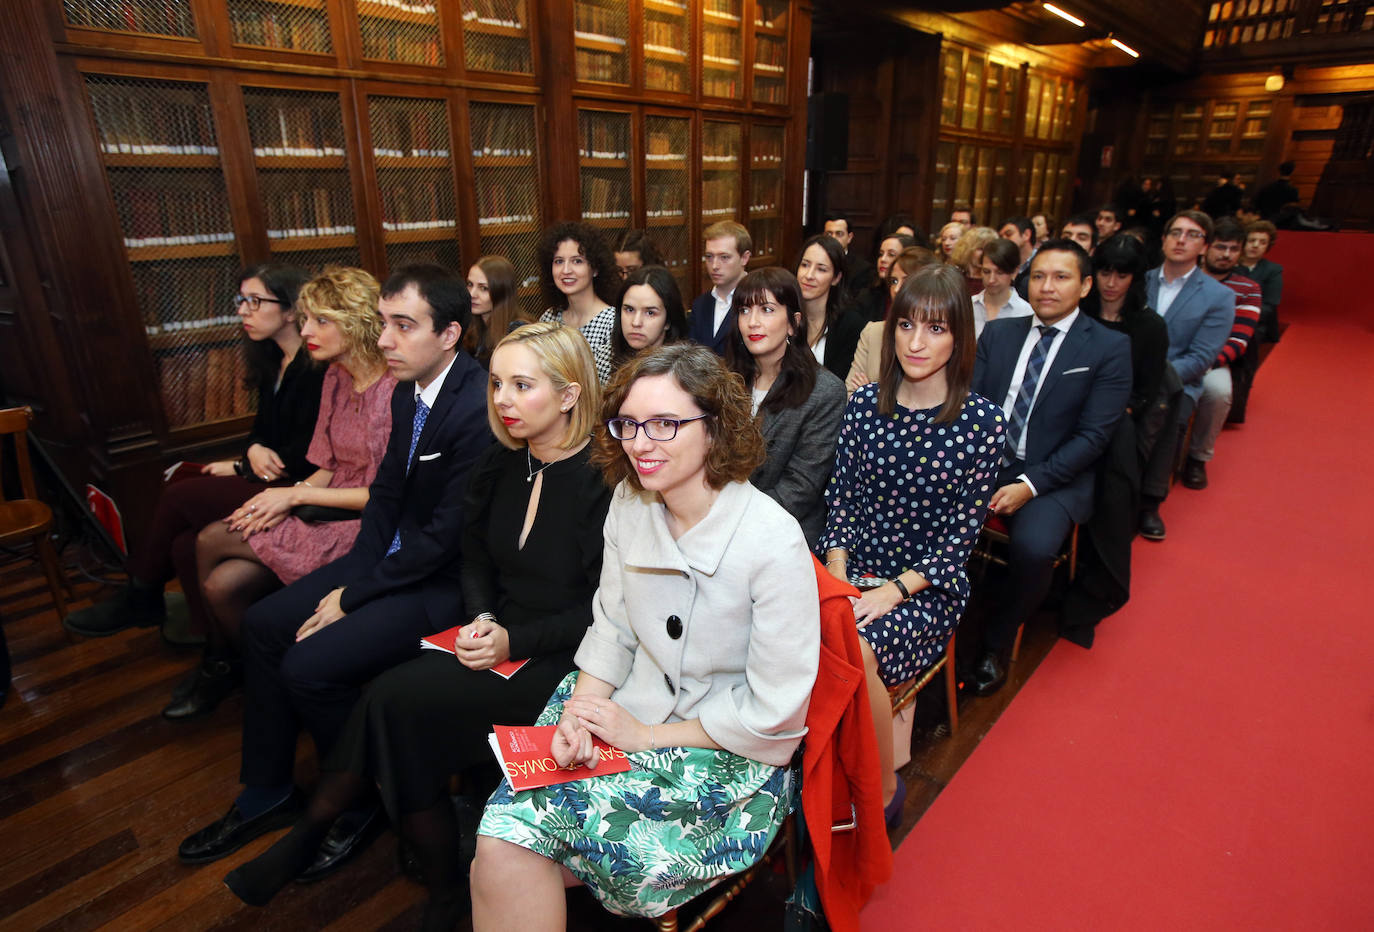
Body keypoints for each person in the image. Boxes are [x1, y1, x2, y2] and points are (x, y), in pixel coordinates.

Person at [220, 323, 611, 926]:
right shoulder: (501, 463)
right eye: (499, 383)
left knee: (393, 702)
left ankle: (325, 836)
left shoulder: (602, 481)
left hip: (567, 659)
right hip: (494, 637)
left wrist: (513, 639)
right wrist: (483, 619)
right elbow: (475, 560)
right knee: (395, 711)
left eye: (522, 385)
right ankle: (437, 883)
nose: (502, 399)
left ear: (568, 395)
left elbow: (604, 609)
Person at [471, 343, 821, 926]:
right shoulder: (630, 504)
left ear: (715, 429)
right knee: (500, 840)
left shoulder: (771, 539)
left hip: (726, 752)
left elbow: (774, 713)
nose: (640, 442)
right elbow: (611, 626)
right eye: (629, 424)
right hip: (627, 705)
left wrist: (647, 735)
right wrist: (581, 714)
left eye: (665, 423)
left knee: (540, 845)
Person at [176, 264, 492, 874]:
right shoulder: (410, 389)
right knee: (266, 624)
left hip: (444, 583)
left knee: (308, 664)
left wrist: (354, 595)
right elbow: (387, 501)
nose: (385, 341)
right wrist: (355, 575)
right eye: (382, 324)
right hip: (393, 562)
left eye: (404, 326)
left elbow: (440, 539)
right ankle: (267, 791)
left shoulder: (475, 406)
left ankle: (357, 794)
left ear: (450, 334)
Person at [165, 267, 397, 721]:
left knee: (211, 539)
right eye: (306, 318)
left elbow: (383, 496)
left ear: (355, 322)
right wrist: (282, 497)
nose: (306, 330)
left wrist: (289, 497)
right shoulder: (334, 375)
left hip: (363, 523)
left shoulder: (392, 388)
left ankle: (231, 668)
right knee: (220, 583)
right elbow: (327, 465)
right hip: (324, 502)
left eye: (320, 321)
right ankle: (249, 671)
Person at [822, 263, 1003, 820]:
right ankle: (814, 771)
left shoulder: (982, 423)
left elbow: (959, 540)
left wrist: (889, 593)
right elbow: (841, 501)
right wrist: (838, 577)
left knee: (854, 647)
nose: (916, 342)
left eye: (936, 329)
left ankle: (876, 789)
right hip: (851, 569)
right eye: (906, 327)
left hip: (925, 586)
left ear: (959, 336)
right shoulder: (864, 406)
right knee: (785, 628)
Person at [62, 263, 323, 642]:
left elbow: (307, 454)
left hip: (295, 485)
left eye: (255, 301)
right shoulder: (273, 362)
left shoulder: (317, 368)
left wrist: (242, 464)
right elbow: (258, 435)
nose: (243, 311)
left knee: (180, 494)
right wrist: (250, 452)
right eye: (241, 301)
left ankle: (143, 593)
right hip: (268, 475)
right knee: (185, 544)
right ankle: (209, 641)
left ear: (289, 310)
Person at [968, 239, 1132, 695]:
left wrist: (1030, 484)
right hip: (987, 461)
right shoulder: (1000, 333)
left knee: (1035, 549)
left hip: (1056, 475)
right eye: (1038, 276)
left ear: (1084, 285)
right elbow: (973, 408)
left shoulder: (1109, 348)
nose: (1046, 287)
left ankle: (996, 642)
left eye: (1061, 277)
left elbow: (1094, 438)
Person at [1058, 234, 1170, 648]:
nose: (1111, 281)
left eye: (1122, 274)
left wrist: (1099, 420)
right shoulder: (1075, 315)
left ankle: (1092, 588)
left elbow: (1145, 393)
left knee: (1112, 482)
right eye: (1104, 271)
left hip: (1115, 428)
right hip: (1059, 423)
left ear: (1135, 278)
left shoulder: (1149, 327)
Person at [724, 267, 846, 547]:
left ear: (793, 323)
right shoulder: (725, 381)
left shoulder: (824, 392)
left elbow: (800, 489)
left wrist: (727, 523)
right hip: (719, 525)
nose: (752, 322)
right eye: (744, 311)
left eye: (767, 310)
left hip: (784, 535)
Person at [1138, 211, 1235, 541]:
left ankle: (1150, 502)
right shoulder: (1139, 280)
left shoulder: (1218, 296)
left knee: (1167, 409)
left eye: (1192, 235)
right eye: (1175, 232)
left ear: (1204, 246)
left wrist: (1150, 379)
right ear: (1163, 239)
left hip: (1176, 382)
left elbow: (1200, 358)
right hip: (1124, 374)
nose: (1181, 240)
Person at [1181, 218, 1261, 491]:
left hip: (1213, 360)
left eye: (1233, 249)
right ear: (1206, 247)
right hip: (1176, 352)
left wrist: (1203, 364)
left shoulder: (1248, 289)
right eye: (1220, 247)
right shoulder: (1183, 278)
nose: (1226, 255)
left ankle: (1198, 457)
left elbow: (1239, 341)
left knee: (1218, 392)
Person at [846, 246, 940, 396]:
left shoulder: (939, 336)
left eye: (907, 280)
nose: (896, 289)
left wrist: (870, 393)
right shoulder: (874, 332)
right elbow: (851, 395)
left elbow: (933, 397)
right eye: (894, 281)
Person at [537, 222, 620, 383]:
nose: (566, 270)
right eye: (559, 261)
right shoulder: (548, 319)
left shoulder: (612, 322)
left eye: (577, 261)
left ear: (595, 269)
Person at [795, 233, 865, 379]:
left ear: (836, 278)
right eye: (805, 265)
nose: (809, 275)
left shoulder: (849, 324)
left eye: (821, 269)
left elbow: (840, 382)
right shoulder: (785, 314)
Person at [599, 264, 689, 376]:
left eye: (650, 313)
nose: (636, 322)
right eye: (629, 309)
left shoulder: (685, 371)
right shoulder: (604, 358)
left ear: (668, 321)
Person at [688, 220, 752, 356]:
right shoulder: (700, 304)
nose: (715, 265)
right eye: (709, 257)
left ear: (744, 258)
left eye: (724, 257)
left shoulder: (756, 301)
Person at [465, 255, 528, 367]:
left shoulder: (518, 333)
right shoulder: (471, 326)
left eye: (483, 288)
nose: (472, 294)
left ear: (501, 292)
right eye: (470, 284)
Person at [972, 236, 1034, 336]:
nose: (991, 280)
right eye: (986, 272)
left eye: (1000, 273)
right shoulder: (969, 307)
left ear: (1014, 272)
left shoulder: (1026, 313)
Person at [857, 231, 917, 321]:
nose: (883, 259)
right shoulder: (868, 295)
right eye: (881, 254)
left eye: (891, 254)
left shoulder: (916, 297)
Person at [1240, 219, 1283, 343]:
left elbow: (1269, 305)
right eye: (1252, 240)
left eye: (1262, 242)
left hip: (1256, 322)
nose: (1255, 245)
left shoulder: (1273, 270)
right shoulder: (1229, 265)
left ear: (1268, 246)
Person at [822, 210, 875, 302]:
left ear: (849, 237)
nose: (833, 238)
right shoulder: (815, 262)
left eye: (839, 234)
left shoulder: (862, 269)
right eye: (829, 234)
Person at [949, 225, 1000, 295]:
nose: (985, 253)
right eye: (980, 249)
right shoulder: (955, 278)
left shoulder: (993, 282)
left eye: (989, 249)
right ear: (967, 250)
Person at [998, 215, 1036, 298]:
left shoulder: (1041, 262)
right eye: (1001, 237)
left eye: (1009, 234)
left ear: (1026, 234)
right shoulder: (1003, 263)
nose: (1004, 239)